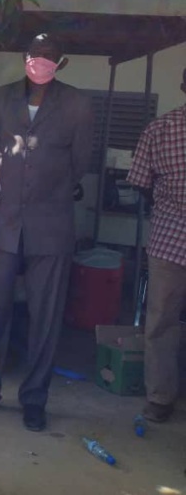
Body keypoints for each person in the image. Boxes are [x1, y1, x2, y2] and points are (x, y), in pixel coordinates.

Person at [0, 33, 93, 432]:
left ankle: (34, 399)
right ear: (24, 57)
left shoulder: (78, 104)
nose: (41, 61)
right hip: (2, 223)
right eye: (36, 54)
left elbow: (80, 161)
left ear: (60, 62)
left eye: (50, 56)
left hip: (52, 224)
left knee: (45, 317)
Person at [127, 68, 186, 423]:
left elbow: (141, 184)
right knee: (162, 320)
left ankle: (161, 398)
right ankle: (161, 396)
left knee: (162, 320)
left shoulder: (160, 127)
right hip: (169, 237)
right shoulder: (159, 129)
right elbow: (141, 180)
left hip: (168, 233)